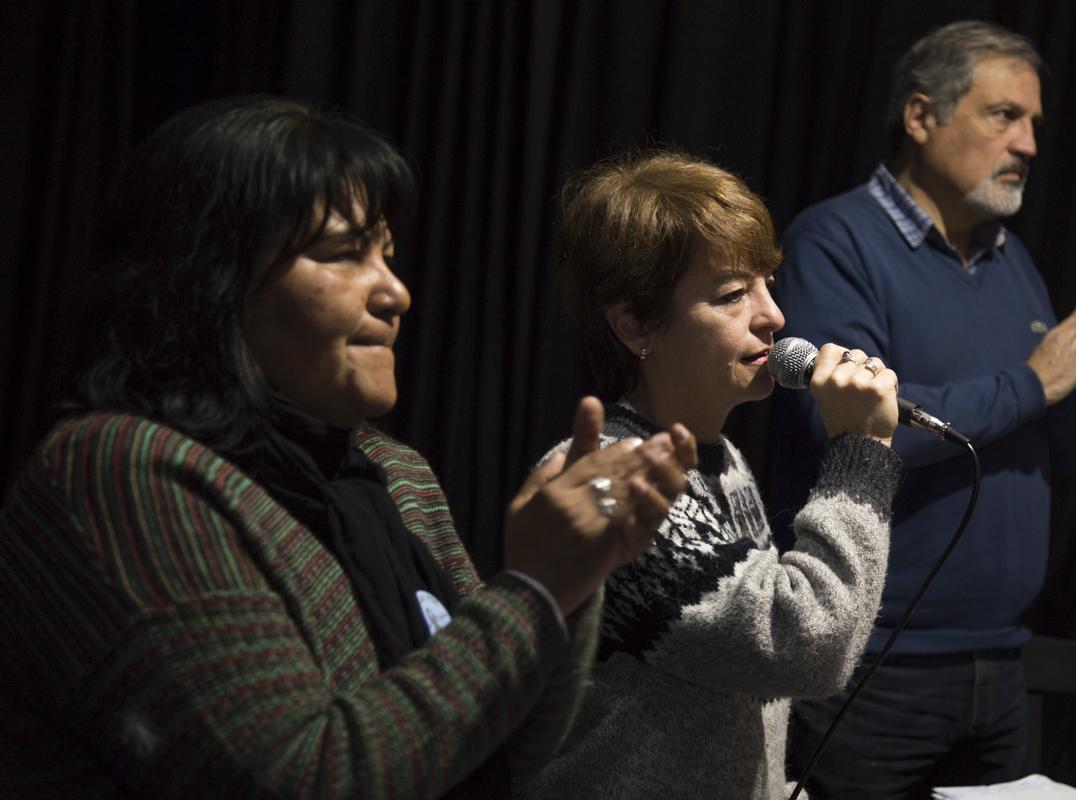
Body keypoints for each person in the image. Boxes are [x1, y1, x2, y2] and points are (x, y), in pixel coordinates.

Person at [0, 96, 699, 799]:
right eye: (343, 253)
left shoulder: (395, 474)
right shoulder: (118, 473)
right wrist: (535, 588)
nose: (395, 292)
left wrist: (571, 583)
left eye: (386, 255)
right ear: (213, 279)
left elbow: (500, 749)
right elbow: (299, 779)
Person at [770, 21, 1076, 798]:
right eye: (1004, 115)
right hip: (874, 668)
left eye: (1033, 122)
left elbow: (1075, 452)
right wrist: (1034, 383)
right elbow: (850, 424)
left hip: (1000, 668)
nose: (1028, 143)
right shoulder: (836, 240)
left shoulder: (1013, 261)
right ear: (920, 115)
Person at [519, 150, 906, 800]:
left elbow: (742, 687)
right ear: (635, 324)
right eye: (732, 295)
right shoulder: (613, 481)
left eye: (766, 283)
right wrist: (861, 454)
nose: (773, 316)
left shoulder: (722, 460)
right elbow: (804, 646)